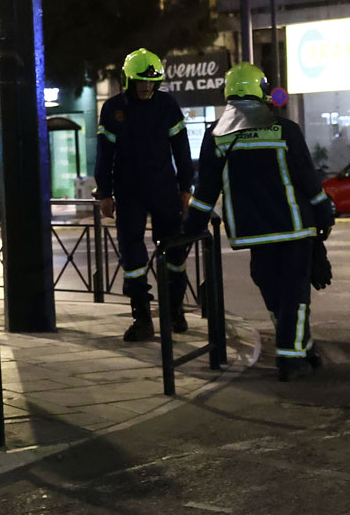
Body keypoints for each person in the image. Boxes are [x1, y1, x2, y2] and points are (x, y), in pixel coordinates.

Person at [183, 63, 335, 381]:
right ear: (262, 93)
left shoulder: (217, 137)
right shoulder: (286, 129)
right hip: (295, 227)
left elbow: (205, 192)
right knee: (294, 292)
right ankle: (295, 352)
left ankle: (294, 351)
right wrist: (325, 215)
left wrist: (189, 230)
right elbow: (309, 181)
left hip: (257, 233)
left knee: (273, 289)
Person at [94, 49, 196, 342]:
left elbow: (182, 149)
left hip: (164, 190)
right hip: (129, 193)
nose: (147, 87)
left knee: (175, 253)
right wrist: (105, 192)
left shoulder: (167, 105)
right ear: (128, 79)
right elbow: (105, 154)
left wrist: (186, 187)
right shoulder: (113, 109)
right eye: (141, 81)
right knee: (133, 257)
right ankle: (142, 318)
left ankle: (175, 310)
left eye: (152, 82)